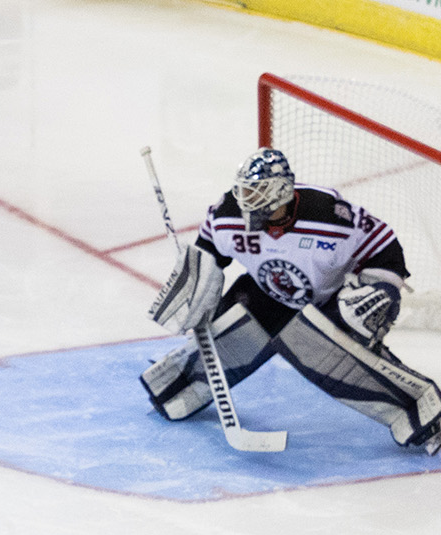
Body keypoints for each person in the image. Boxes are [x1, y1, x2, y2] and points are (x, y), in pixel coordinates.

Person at [143, 146, 440, 454]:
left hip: (327, 303)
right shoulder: (228, 213)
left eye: (257, 194)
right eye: (244, 191)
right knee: (230, 331)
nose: (246, 201)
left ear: (281, 192)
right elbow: (208, 254)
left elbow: (385, 248)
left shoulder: (330, 214)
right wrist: (195, 284)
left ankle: (421, 407)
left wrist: (381, 290)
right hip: (265, 294)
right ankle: (179, 387)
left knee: (329, 355)